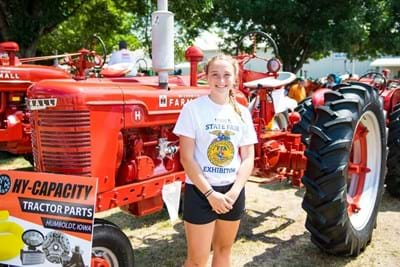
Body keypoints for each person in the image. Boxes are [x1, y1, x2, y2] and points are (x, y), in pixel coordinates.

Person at [173, 54, 257, 267]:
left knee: (223, 251)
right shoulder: (192, 110)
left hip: (231, 193)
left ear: (235, 79)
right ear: (207, 78)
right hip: (201, 192)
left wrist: (235, 191)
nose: (221, 80)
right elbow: (187, 158)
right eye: (215, 75)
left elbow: (248, 157)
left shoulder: (242, 113)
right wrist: (210, 195)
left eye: (227, 75)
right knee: (197, 260)